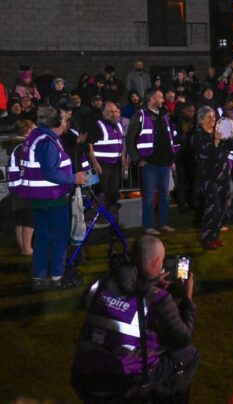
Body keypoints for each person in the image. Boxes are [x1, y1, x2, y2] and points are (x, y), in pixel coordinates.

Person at [71, 234, 199, 403]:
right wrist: (187, 299)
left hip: (84, 372)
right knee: (189, 354)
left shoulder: (104, 282)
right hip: (121, 381)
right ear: (155, 263)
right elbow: (182, 338)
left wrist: (150, 285)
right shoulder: (158, 299)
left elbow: (117, 301)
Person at [19, 106, 88, 290]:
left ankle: (39, 277)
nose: (66, 123)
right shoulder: (48, 141)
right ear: (56, 122)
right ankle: (57, 276)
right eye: (64, 120)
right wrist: (75, 178)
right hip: (52, 198)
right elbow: (51, 172)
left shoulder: (38, 137)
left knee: (42, 237)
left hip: (40, 198)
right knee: (59, 237)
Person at [126, 89, 177, 235]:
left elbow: (169, 138)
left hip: (164, 163)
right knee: (148, 196)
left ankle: (163, 223)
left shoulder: (164, 115)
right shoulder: (140, 115)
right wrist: (138, 159)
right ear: (152, 99)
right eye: (160, 97)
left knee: (164, 196)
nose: (163, 99)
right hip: (149, 163)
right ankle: (148, 226)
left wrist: (171, 158)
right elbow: (130, 139)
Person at [194, 106, 233, 249]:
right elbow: (204, 155)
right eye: (209, 117)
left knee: (221, 207)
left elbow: (231, 146)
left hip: (223, 176)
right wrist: (215, 141)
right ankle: (207, 239)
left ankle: (215, 237)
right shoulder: (199, 136)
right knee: (212, 207)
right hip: (208, 178)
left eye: (214, 117)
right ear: (201, 120)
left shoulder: (219, 133)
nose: (213, 119)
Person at [89, 100, 127, 211]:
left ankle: (112, 219)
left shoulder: (118, 125)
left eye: (115, 111)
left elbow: (120, 142)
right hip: (101, 165)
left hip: (115, 164)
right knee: (100, 193)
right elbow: (89, 145)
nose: (114, 114)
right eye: (111, 112)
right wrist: (95, 163)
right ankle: (98, 218)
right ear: (103, 113)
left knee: (114, 192)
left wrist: (123, 156)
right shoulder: (97, 126)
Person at [5, 120, 35, 255]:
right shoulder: (24, 147)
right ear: (28, 130)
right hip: (24, 189)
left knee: (20, 219)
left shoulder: (15, 146)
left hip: (15, 189)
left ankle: (22, 247)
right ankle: (27, 248)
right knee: (29, 219)